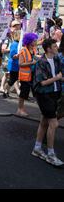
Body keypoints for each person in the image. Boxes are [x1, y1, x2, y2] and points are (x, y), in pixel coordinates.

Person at [31, 38, 63, 167]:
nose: (57, 48)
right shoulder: (41, 62)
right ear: (49, 48)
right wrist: (57, 78)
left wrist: (59, 79)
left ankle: (37, 148)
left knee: (44, 121)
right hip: (44, 94)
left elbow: (59, 75)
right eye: (55, 46)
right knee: (53, 124)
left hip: (55, 93)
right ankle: (50, 154)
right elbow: (42, 82)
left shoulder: (56, 59)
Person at [18, 33, 39, 117]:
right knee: (23, 94)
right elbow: (20, 64)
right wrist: (32, 63)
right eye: (34, 40)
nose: (36, 41)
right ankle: (20, 109)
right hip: (25, 76)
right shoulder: (23, 50)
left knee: (36, 92)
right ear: (30, 41)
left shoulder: (33, 49)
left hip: (33, 75)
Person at [3, 30, 21, 98]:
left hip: (18, 65)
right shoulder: (14, 44)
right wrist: (20, 55)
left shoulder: (19, 44)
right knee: (12, 80)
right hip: (14, 65)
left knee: (14, 79)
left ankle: (7, 91)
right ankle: (5, 91)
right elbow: (12, 55)